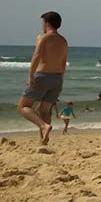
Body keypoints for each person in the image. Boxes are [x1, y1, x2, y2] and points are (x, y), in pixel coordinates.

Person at [16, 11, 69, 145]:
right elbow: (63, 62)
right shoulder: (63, 41)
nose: (42, 25)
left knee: (23, 106)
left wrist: (31, 75)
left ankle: (43, 126)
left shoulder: (44, 38)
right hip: (57, 78)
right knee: (44, 111)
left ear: (47, 23)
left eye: (43, 22)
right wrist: (59, 78)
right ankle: (44, 141)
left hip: (42, 75)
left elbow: (37, 56)